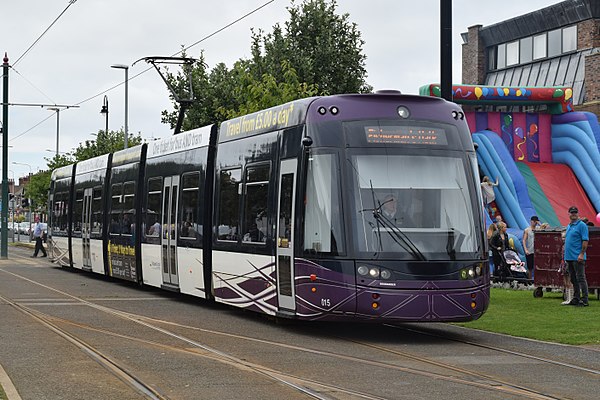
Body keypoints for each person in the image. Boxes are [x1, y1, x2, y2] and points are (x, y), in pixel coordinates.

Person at [564, 206, 589, 307]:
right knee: (573, 279)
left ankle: (584, 299)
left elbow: (585, 240)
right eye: (572, 213)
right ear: (569, 214)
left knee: (581, 278)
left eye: (575, 213)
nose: (573, 214)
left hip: (577, 257)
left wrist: (582, 253)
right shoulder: (569, 225)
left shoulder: (582, 225)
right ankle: (576, 297)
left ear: (578, 214)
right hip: (569, 257)